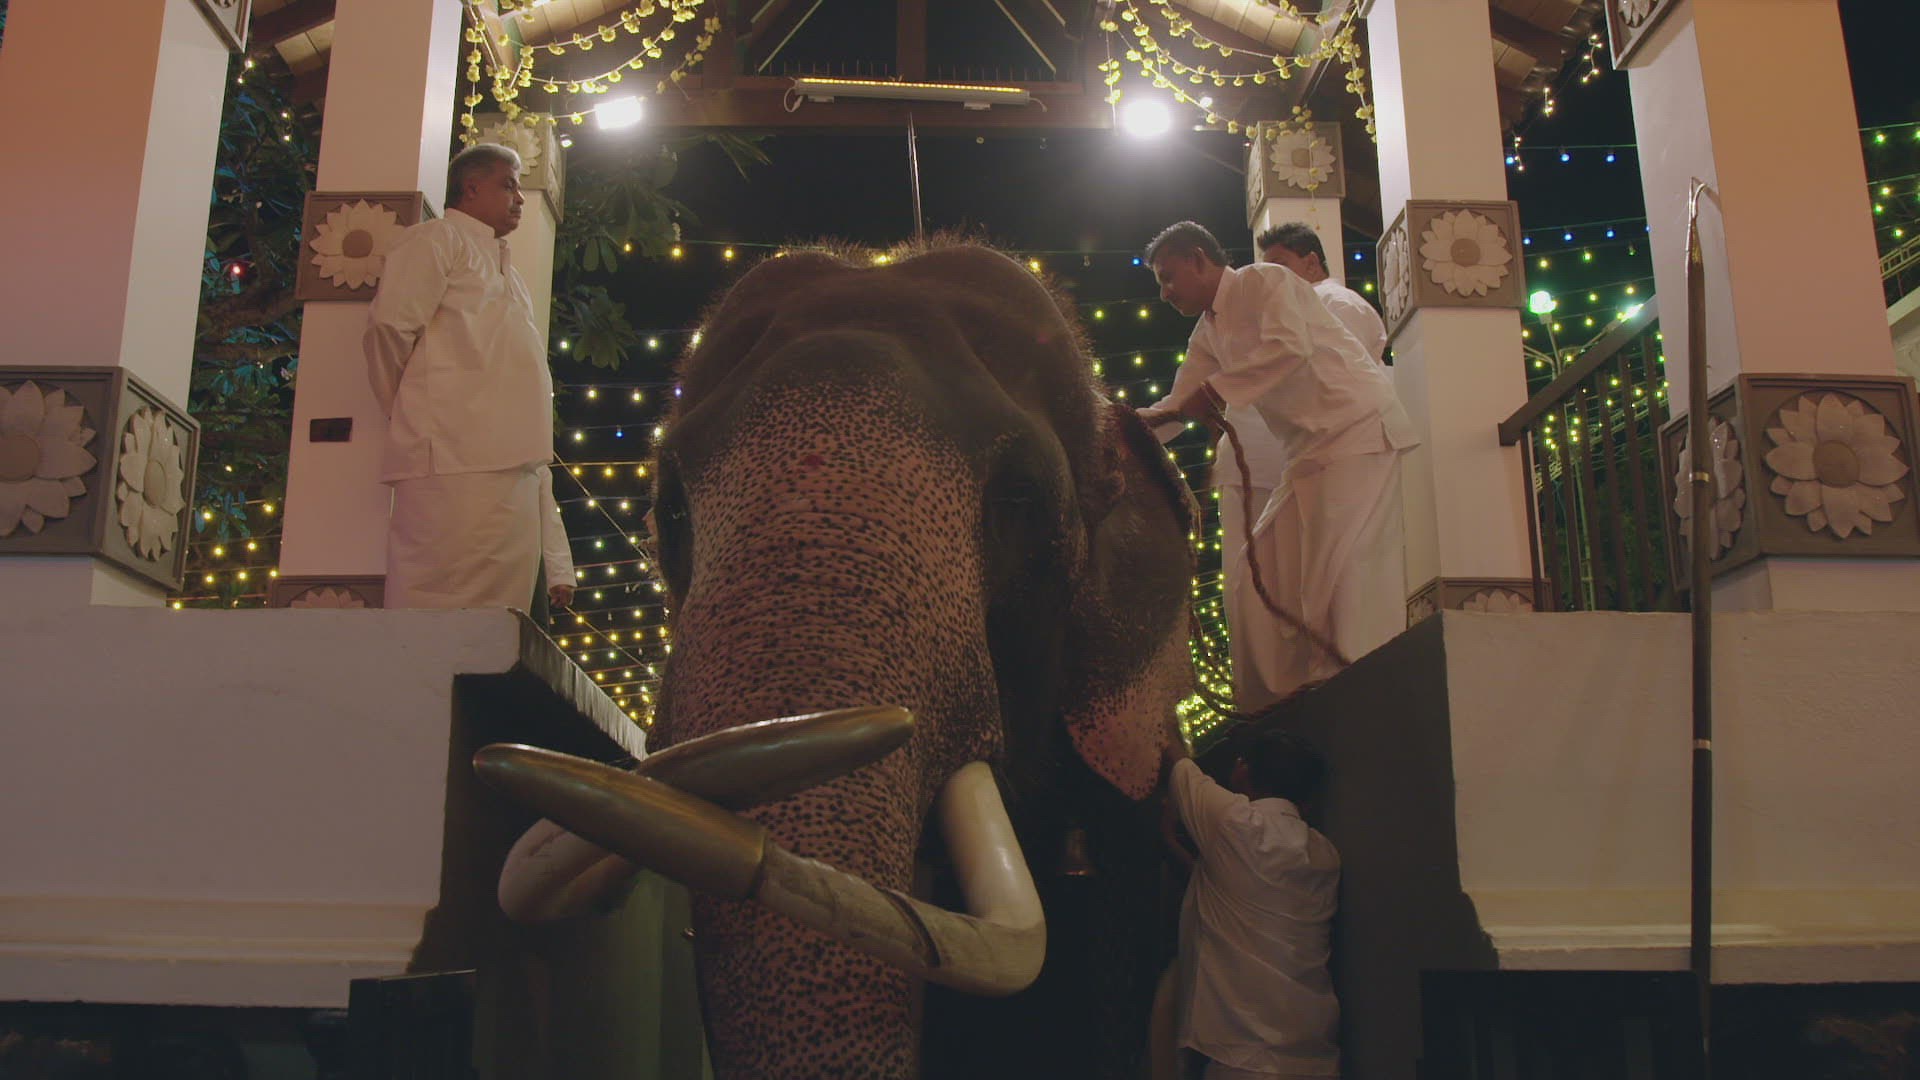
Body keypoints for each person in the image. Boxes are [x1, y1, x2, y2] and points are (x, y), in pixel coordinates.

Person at [1138, 222, 1413, 710]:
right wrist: (1122, 429)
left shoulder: (1265, 281)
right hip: (1306, 453)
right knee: (1254, 574)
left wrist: (1214, 392)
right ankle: (1276, 699)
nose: (1164, 293)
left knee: (1340, 573)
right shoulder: (1208, 332)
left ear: (1198, 259)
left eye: (1168, 277)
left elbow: (1289, 346)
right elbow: (1179, 404)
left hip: (1358, 431)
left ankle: (1350, 690)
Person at [364, 143, 574, 611]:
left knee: (502, 616)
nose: (519, 199)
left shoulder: (508, 271)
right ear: (472, 188)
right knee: (439, 604)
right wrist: (409, 408)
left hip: (511, 461)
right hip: (449, 457)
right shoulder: (436, 239)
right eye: (509, 186)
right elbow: (389, 329)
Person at [1162, 729, 1340, 1079]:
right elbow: (1241, 893)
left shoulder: (1233, 821)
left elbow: (1176, 758)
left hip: (1245, 1059)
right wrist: (1173, 847)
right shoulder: (1325, 854)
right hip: (1316, 1056)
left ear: (1243, 770)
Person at [1256, 222, 1389, 366]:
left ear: (1311, 263)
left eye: (1279, 267)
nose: (1272, 277)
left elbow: (1348, 370)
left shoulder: (1336, 302)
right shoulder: (1306, 306)